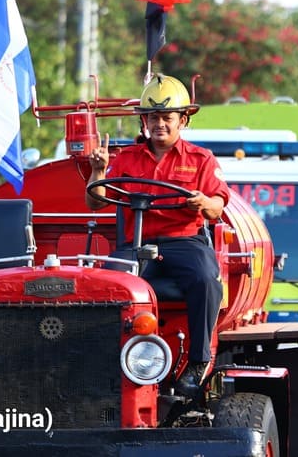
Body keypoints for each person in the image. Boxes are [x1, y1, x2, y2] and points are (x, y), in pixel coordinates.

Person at [85, 73, 230, 398]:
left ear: (182, 121)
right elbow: (95, 202)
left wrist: (203, 202)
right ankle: (104, 361)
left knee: (206, 280)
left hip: (183, 241)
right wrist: (98, 171)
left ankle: (198, 362)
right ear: (144, 121)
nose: (159, 124)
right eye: (153, 117)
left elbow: (218, 206)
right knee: (107, 284)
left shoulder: (201, 159)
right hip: (137, 243)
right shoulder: (126, 159)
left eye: (167, 117)